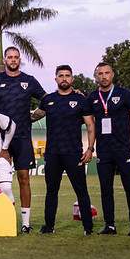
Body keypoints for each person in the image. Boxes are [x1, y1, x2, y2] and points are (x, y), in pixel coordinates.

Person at [0, 46, 46, 233]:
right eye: (9, 57)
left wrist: (34, 116)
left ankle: (25, 223)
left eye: (16, 57)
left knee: (24, 178)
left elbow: (47, 100)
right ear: (5, 60)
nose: (13, 60)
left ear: (20, 59)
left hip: (22, 136)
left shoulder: (29, 81)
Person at [30, 65, 95, 235]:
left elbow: (90, 126)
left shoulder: (81, 100)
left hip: (74, 153)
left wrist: (90, 149)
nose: (64, 78)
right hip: (52, 153)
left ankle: (88, 227)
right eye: (61, 76)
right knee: (51, 191)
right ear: (56, 79)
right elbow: (34, 116)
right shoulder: (49, 99)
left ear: (72, 79)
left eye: (67, 76)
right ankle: (49, 226)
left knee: (81, 190)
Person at [88, 62, 130, 237]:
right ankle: (110, 225)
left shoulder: (124, 94)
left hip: (123, 149)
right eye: (100, 74)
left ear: (113, 75)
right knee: (106, 189)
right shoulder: (92, 97)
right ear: (96, 76)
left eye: (107, 73)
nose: (104, 76)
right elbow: (88, 121)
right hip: (103, 151)